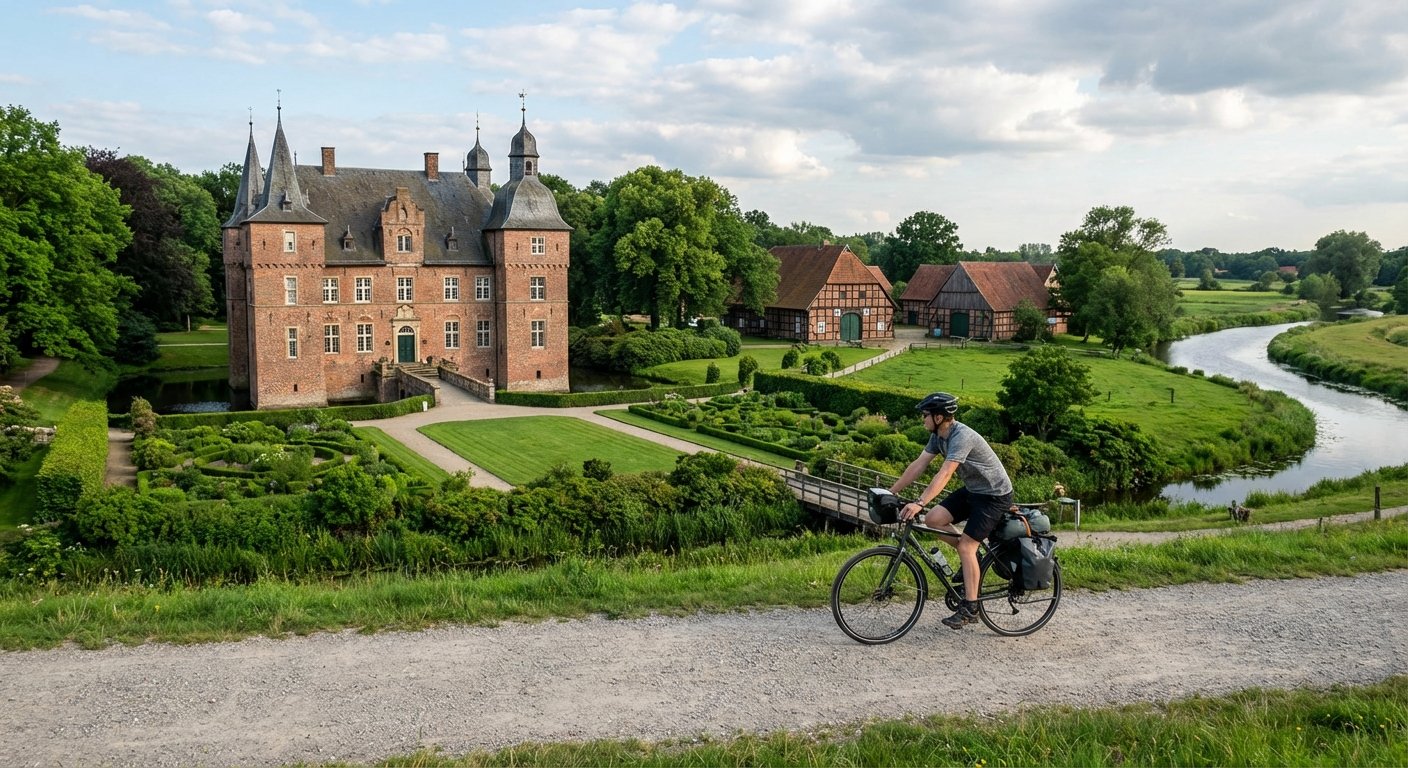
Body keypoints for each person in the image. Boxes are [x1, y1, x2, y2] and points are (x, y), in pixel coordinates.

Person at [890, 392, 1014, 630]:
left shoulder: (961, 437)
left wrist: (919, 502)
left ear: (939, 417)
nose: (922, 419)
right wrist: (891, 492)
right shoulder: (939, 436)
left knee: (967, 545)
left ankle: (971, 607)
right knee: (933, 519)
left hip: (994, 495)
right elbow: (919, 464)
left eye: (925, 415)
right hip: (974, 490)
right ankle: (972, 562)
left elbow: (945, 473)